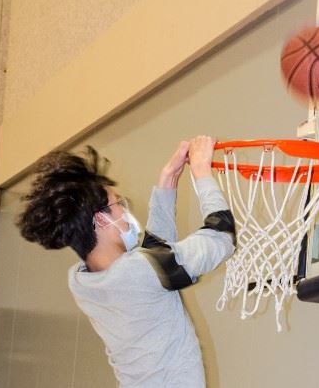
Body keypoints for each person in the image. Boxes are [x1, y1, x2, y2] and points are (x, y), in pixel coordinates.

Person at [17, 136, 236, 387]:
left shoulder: (80, 281)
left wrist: (167, 182)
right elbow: (222, 237)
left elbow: (152, 261)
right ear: (100, 220)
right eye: (118, 203)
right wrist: (202, 172)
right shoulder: (140, 271)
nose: (125, 211)